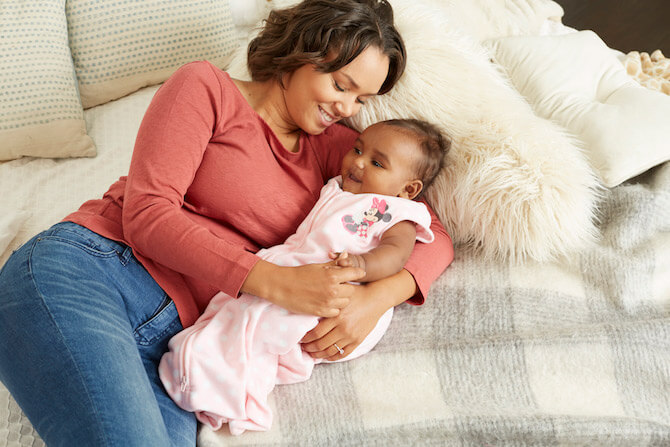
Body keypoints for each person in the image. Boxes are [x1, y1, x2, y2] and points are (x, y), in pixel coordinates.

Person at [0, 1, 454, 445]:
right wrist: (275, 282)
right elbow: (147, 214)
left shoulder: (337, 150)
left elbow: (426, 228)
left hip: (181, 342)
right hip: (92, 274)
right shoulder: (207, 88)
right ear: (302, 53)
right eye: (341, 85)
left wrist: (375, 298)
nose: (347, 107)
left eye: (361, 98)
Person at [159, 119, 451, 435]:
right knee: (236, 310)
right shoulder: (339, 186)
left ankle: (234, 391)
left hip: (345, 290)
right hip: (300, 271)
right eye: (357, 150)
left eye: (377, 163)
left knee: (264, 325)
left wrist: (361, 265)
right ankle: (212, 366)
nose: (358, 162)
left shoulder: (397, 212)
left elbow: (396, 254)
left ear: (408, 189)